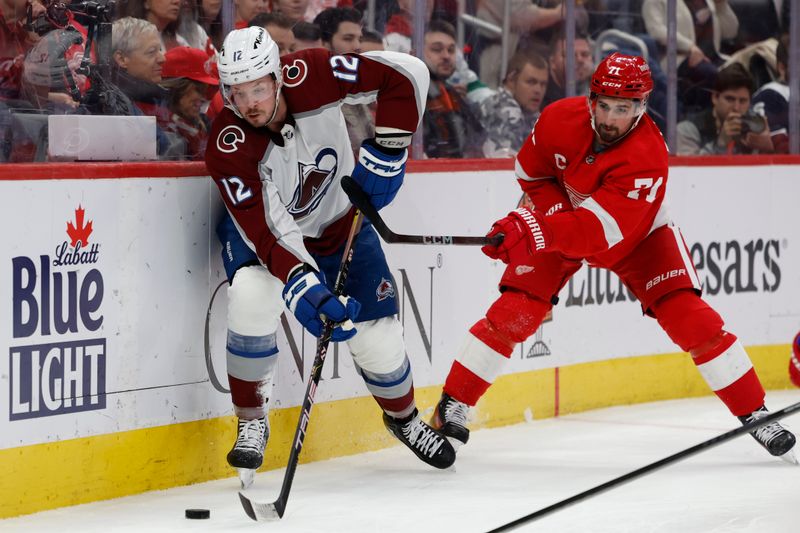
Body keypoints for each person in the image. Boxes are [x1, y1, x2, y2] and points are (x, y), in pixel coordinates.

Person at [430, 52, 796, 462]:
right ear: (590, 99)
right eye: (602, 105)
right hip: (566, 218)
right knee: (516, 310)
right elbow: (530, 173)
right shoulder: (558, 117)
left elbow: (592, 236)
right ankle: (452, 405)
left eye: (622, 109)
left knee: (692, 320)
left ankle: (758, 414)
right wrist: (545, 218)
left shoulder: (647, 157)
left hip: (636, 237)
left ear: (641, 108)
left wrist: (533, 230)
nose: (608, 118)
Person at [204, 27, 456, 480]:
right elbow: (269, 229)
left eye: (258, 88)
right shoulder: (228, 145)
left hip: (342, 225)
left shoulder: (314, 73)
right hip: (262, 236)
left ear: (278, 76)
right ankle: (251, 422)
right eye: (236, 93)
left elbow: (408, 74)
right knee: (251, 294)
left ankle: (404, 419)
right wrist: (306, 286)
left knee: (377, 339)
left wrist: (390, 149)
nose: (250, 104)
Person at [676, 62, 773, 155]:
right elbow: (689, 170)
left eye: (742, 101)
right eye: (730, 99)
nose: (736, 108)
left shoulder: (753, 127)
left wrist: (767, 150)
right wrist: (721, 145)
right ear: (715, 97)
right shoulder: (688, 129)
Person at [422, 20, 486, 158]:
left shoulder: (452, 94)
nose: (446, 56)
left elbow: (477, 142)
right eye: (437, 49)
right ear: (416, 52)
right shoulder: (414, 93)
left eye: (451, 50)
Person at [479, 51, 548, 158]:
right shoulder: (505, 109)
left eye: (543, 84)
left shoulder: (531, 113)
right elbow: (507, 167)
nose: (538, 90)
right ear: (511, 80)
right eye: (531, 82)